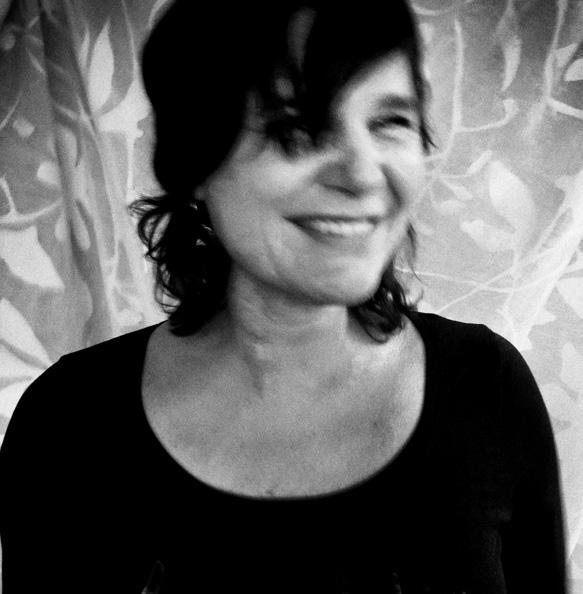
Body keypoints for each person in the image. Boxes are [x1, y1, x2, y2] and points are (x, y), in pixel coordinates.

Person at [0, 1, 566, 592]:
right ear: (195, 162)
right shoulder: (69, 426)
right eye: (299, 129)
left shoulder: (489, 390)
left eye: (390, 122)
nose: (363, 174)